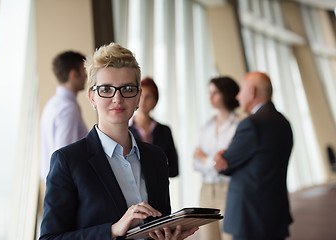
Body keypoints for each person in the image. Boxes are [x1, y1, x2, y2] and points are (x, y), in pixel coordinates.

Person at [39, 43, 198, 240]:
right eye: (106, 89)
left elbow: (159, 225)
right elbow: (50, 238)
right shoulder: (68, 161)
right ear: (92, 97)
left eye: (128, 89)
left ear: (138, 97)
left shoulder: (156, 158)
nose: (117, 98)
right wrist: (113, 230)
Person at [214, 72, 293, 240]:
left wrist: (221, 157)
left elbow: (224, 164)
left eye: (240, 90)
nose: (237, 96)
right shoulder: (284, 122)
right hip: (275, 212)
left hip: (250, 216)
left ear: (252, 91)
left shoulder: (251, 124)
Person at [193, 76, 240, 240]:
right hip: (206, 191)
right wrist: (215, 161)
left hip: (229, 190)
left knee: (231, 236)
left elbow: (230, 163)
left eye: (215, 93)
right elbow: (195, 162)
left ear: (227, 94)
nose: (210, 97)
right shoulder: (207, 126)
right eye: (209, 93)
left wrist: (205, 158)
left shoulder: (239, 125)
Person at [40, 51, 88, 183]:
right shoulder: (68, 109)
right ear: (73, 74)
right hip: (66, 186)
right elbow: (66, 155)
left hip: (55, 183)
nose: (86, 76)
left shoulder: (52, 104)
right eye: (84, 71)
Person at [129, 77, 179, 177]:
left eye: (148, 97)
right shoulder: (124, 130)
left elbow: (174, 169)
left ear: (155, 101)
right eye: (141, 95)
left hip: (158, 190)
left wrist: (154, 170)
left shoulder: (164, 131)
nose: (143, 101)